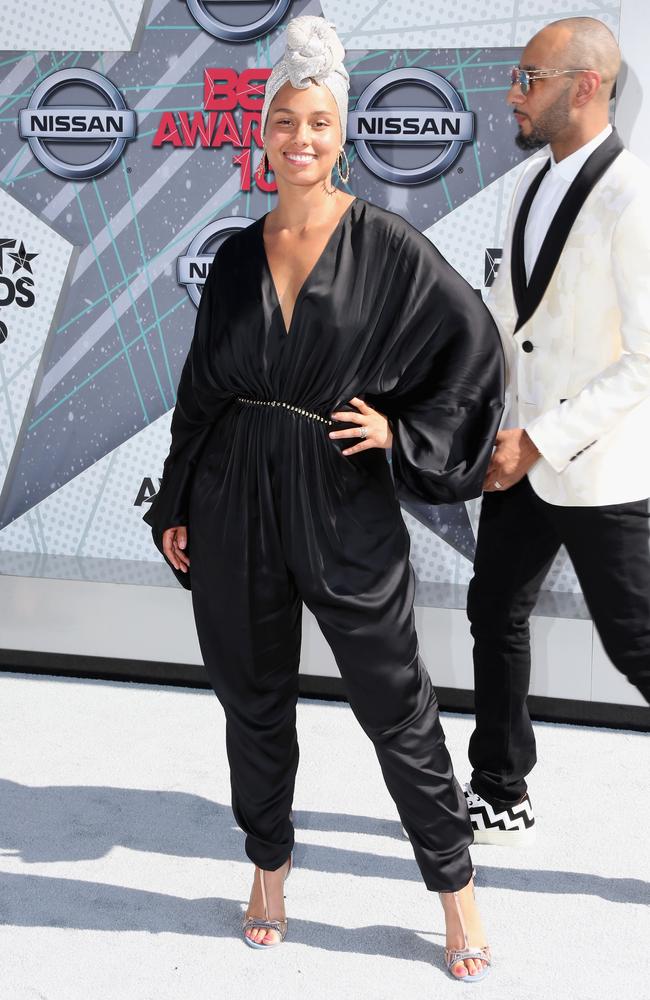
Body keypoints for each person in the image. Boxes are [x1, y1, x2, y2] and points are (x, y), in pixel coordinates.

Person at [144, 16, 503, 980]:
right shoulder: (231, 256)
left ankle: (454, 888)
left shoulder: (385, 245)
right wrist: (177, 500)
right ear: (261, 135)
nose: (300, 140)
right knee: (251, 696)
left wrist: (402, 430)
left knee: (393, 697)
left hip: (337, 492)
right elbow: (198, 393)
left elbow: (472, 350)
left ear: (343, 137)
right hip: (233, 493)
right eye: (284, 123)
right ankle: (268, 868)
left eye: (318, 125)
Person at [465, 16, 650, 846]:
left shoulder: (635, 197)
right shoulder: (527, 183)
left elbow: (645, 362)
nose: (514, 91)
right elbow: (511, 321)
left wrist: (539, 439)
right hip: (520, 455)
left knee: (637, 648)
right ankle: (500, 787)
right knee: (494, 609)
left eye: (529, 78)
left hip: (599, 468)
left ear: (584, 85)